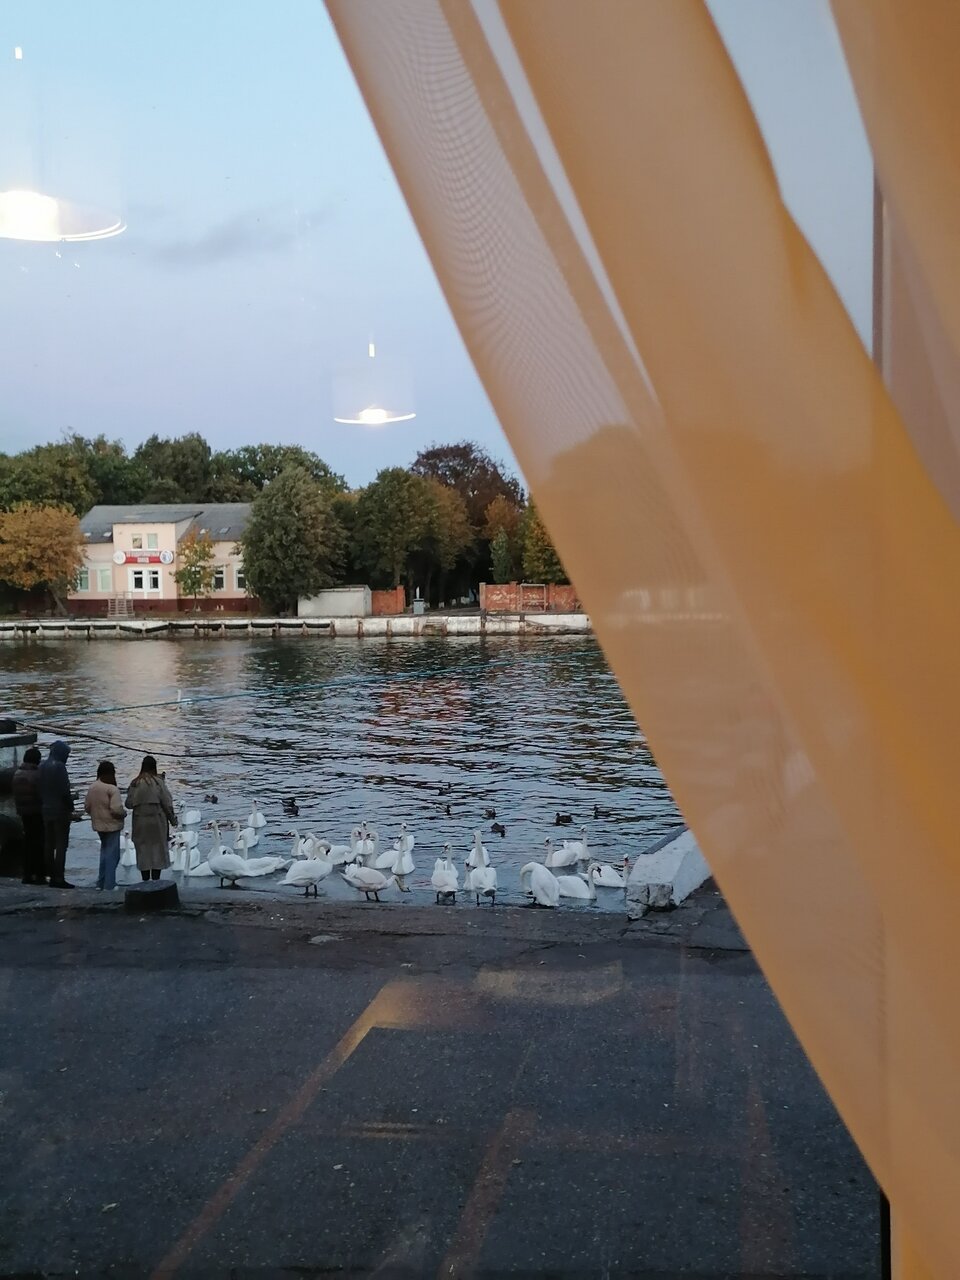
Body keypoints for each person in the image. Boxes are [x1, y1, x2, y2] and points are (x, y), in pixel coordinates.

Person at [125, 756, 176, 881]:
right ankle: (156, 881)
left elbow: (129, 804)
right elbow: (167, 803)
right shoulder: (158, 782)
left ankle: (145, 881)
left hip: (140, 822)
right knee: (157, 851)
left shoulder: (135, 783)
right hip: (157, 821)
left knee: (143, 851)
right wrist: (173, 820)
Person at [37, 740, 75, 889]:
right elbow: (65, 792)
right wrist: (71, 807)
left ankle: (49, 875)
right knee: (61, 845)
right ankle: (58, 877)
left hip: (46, 809)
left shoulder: (41, 766)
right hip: (60, 811)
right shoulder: (59, 767)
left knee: (48, 844)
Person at [85, 761, 126, 891]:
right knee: (113, 855)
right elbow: (116, 809)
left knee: (104, 853)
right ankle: (110, 884)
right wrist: (124, 813)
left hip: (98, 825)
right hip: (112, 826)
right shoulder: (112, 789)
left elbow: (87, 807)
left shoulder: (92, 787)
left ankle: (100, 883)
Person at [12, 747, 44, 884]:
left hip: (23, 812)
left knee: (28, 842)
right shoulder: (36, 775)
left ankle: (27, 874)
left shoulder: (17, 773)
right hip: (36, 811)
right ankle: (39, 874)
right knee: (38, 843)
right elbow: (41, 794)